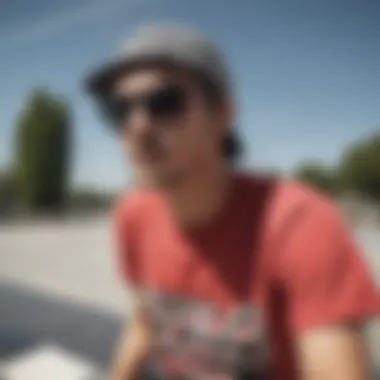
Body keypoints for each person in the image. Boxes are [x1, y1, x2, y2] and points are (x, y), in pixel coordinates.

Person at [85, 24, 379, 380]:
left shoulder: (302, 223)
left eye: (164, 103)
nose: (138, 125)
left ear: (223, 114)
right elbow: (145, 321)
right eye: (119, 111)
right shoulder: (132, 214)